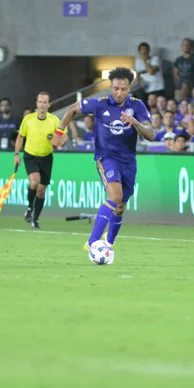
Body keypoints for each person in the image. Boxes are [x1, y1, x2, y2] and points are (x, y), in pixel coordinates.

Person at [53, 67, 154, 251]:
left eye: (123, 89)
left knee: (121, 206)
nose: (119, 92)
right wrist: (60, 132)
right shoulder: (100, 104)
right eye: (115, 88)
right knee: (115, 196)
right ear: (111, 86)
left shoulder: (137, 106)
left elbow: (151, 134)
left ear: (129, 88)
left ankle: (110, 241)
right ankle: (92, 243)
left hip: (128, 160)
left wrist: (136, 123)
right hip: (106, 157)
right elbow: (72, 110)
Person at [14, 92, 66, 230]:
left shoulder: (54, 120)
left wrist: (60, 141)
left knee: (41, 190)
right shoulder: (28, 119)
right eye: (40, 102)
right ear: (36, 104)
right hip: (30, 155)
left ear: (49, 104)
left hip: (46, 157)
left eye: (45, 102)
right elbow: (20, 137)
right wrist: (16, 154)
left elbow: (63, 136)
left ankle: (35, 219)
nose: (42, 105)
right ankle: (30, 206)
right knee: (34, 182)